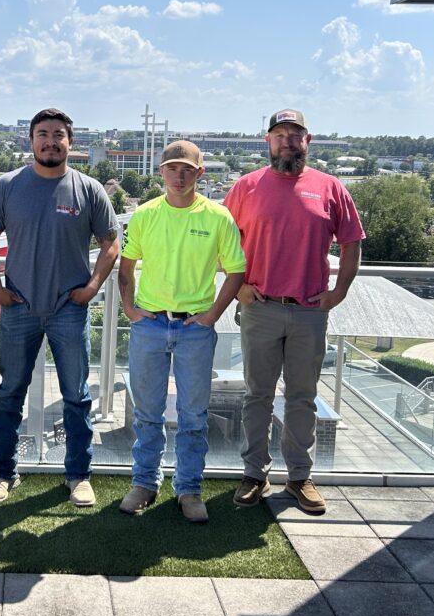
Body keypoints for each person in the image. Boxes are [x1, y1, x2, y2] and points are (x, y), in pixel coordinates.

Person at [224, 109, 364, 514]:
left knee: (302, 397)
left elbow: (352, 243)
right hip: (260, 307)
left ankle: (300, 478)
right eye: (280, 134)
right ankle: (255, 475)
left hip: (308, 311)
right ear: (267, 140)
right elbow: (221, 241)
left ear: (308, 140)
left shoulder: (331, 187)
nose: (287, 141)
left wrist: (339, 291)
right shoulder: (247, 187)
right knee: (257, 396)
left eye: (295, 134)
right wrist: (239, 289)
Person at [0, 108, 119, 507]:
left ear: (70, 143)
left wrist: (92, 286)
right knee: (10, 393)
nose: (51, 141)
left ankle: (77, 475)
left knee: (76, 395)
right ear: (31, 140)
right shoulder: (8, 186)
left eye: (59, 134)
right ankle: (3, 474)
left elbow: (111, 242)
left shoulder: (88, 189)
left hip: (68, 308)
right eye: (43, 134)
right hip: (19, 305)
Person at [117, 141, 245, 522]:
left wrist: (211, 316)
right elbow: (125, 268)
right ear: (161, 173)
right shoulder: (144, 215)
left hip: (195, 329)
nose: (179, 175)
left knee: (193, 415)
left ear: (200, 174)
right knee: (147, 412)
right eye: (172, 168)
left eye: (187, 169)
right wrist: (130, 310)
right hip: (150, 325)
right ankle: (144, 483)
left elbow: (236, 270)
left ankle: (188, 489)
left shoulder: (218, 217)